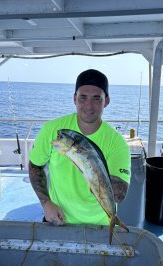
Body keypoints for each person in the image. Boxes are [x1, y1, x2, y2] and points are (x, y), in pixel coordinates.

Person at [28, 69, 131, 226]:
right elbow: (36, 165)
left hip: (100, 224)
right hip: (59, 220)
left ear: (107, 101)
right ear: (75, 99)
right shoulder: (52, 130)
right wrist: (46, 203)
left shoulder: (117, 142)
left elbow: (120, 195)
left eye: (97, 98)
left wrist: (97, 177)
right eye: (83, 97)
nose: (89, 105)